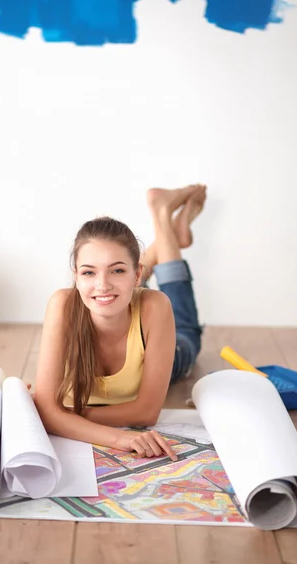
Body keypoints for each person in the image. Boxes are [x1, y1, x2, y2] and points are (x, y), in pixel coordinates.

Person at [34, 184, 206, 461]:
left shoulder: (155, 306)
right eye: (89, 272)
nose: (101, 284)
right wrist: (118, 437)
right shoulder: (62, 304)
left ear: (139, 276)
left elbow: (146, 413)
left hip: (174, 349)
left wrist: (65, 413)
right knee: (113, 292)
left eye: (117, 270)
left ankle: (162, 216)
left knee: (184, 323)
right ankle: (170, 237)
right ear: (76, 276)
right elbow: (46, 411)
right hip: (125, 299)